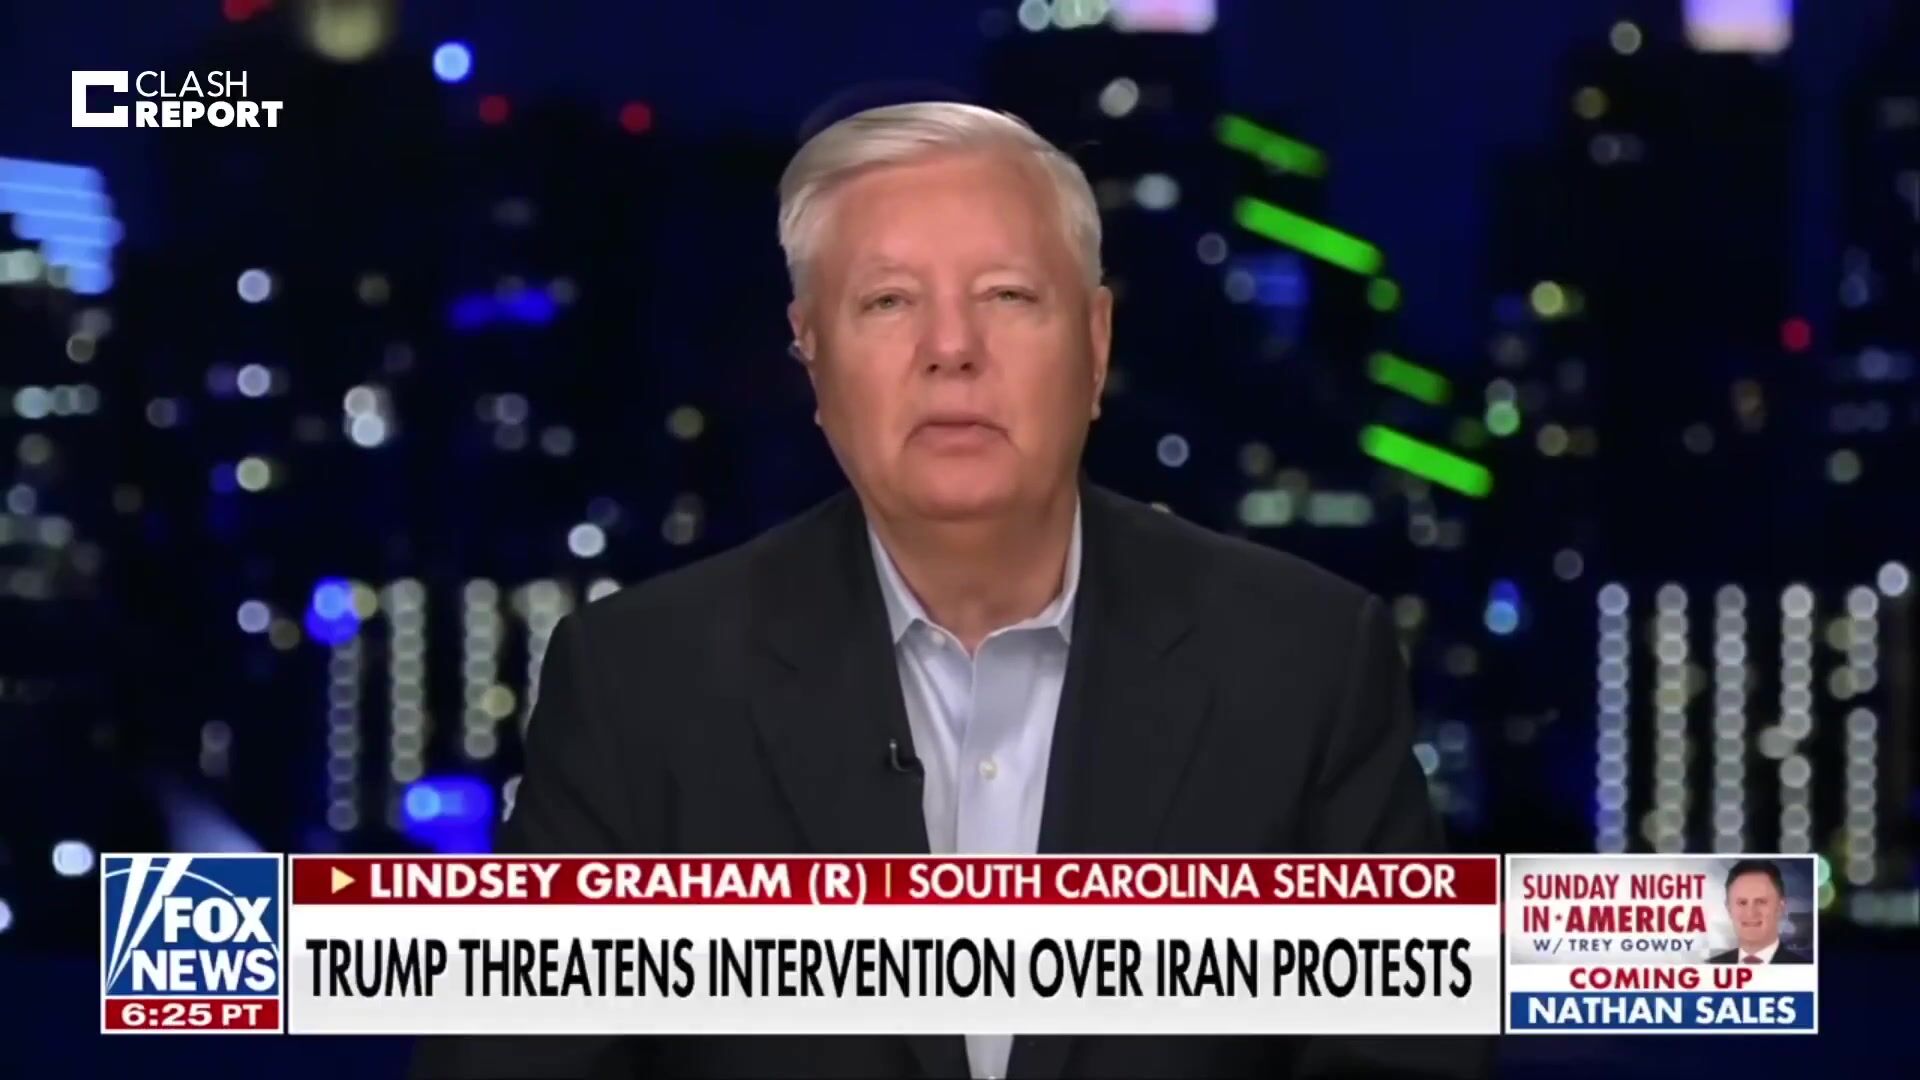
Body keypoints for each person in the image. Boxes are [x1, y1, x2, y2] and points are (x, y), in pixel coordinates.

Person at [414, 102, 1486, 1079]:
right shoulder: (638, 686)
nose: (952, 351)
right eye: (888, 302)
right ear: (812, 354)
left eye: (1007, 297)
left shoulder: (1305, 663)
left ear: (1097, 342)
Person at [1708, 859, 1811, 964]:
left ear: (1780, 907)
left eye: (1761, 902)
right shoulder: (1710, 967)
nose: (1750, 913)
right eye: (1742, 902)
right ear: (1729, 909)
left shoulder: (1807, 970)